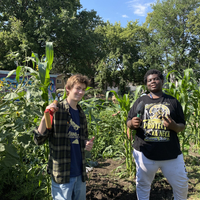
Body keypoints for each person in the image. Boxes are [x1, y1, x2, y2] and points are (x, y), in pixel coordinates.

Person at [127, 69, 188, 200]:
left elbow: (182, 125)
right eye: (149, 80)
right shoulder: (140, 101)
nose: (153, 82)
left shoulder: (173, 101)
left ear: (162, 81)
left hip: (171, 154)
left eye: (155, 79)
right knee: (143, 185)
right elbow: (129, 122)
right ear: (146, 84)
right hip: (145, 153)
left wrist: (174, 126)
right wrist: (132, 123)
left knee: (182, 185)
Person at [33, 74, 95, 200]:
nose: (81, 92)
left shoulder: (81, 113)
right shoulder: (56, 110)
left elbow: (81, 138)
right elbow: (38, 139)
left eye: (83, 89)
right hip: (62, 173)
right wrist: (45, 116)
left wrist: (86, 144)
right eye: (78, 88)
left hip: (80, 173)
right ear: (68, 89)